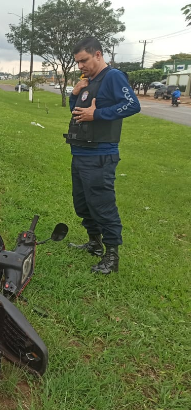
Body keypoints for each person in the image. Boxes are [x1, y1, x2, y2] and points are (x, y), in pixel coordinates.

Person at [64, 37, 141, 274]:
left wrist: (97, 115)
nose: (80, 66)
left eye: (84, 60)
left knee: (102, 204)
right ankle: (94, 243)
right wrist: (74, 94)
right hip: (80, 152)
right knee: (83, 203)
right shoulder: (89, 81)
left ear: (98, 54)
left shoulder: (113, 76)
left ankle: (112, 256)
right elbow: (77, 112)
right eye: (77, 62)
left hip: (100, 154)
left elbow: (132, 105)